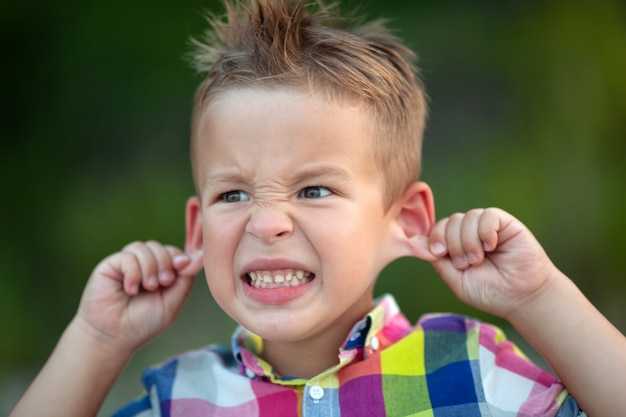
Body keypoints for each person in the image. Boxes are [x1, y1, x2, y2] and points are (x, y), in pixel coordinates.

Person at [10, 0, 626, 416]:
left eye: (313, 190)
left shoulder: (469, 370)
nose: (266, 221)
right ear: (198, 230)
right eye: (234, 194)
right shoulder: (181, 396)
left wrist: (539, 295)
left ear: (405, 221)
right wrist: (97, 339)